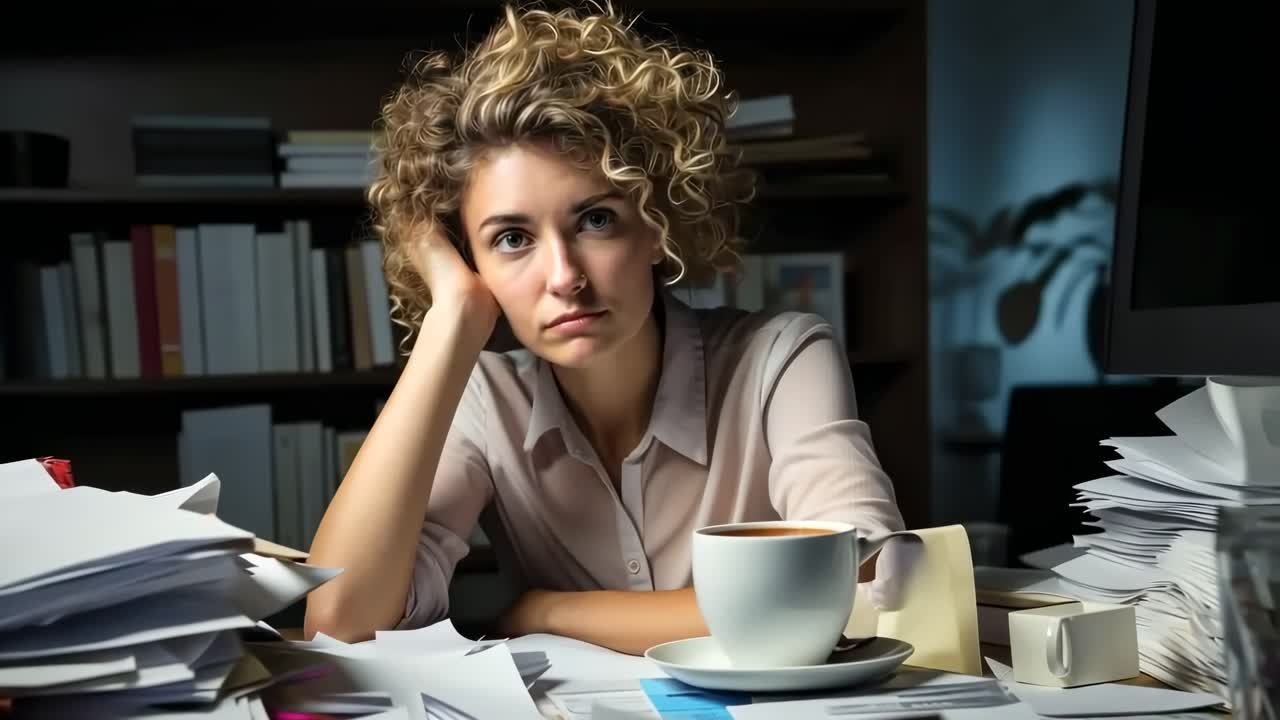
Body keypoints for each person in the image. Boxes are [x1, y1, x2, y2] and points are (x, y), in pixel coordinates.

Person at [304, 1, 913, 655]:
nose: (564, 275)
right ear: (471, 261)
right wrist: (451, 317)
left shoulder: (781, 358)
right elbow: (338, 625)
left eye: (595, 219)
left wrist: (548, 612)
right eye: (511, 238)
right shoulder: (486, 401)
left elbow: (864, 591)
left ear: (655, 225)